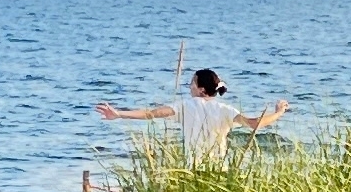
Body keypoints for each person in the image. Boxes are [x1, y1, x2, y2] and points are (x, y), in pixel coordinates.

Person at [99, 64, 287, 157]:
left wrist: (119, 114)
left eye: (192, 83)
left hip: (193, 170)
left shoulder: (185, 105)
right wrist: (278, 113)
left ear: (201, 89)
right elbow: (254, 124)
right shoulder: (225, 109)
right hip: (219, 170)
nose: (189, 87)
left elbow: (151, 114)